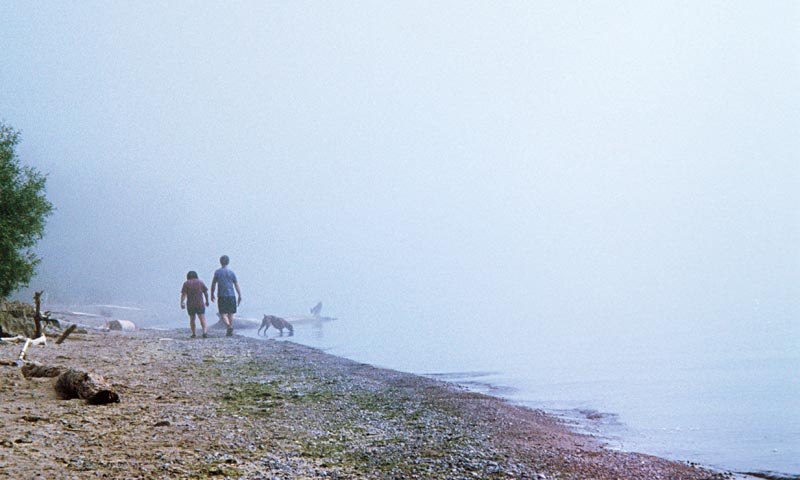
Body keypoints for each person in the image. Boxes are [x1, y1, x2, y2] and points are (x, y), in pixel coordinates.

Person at [210, 255, 241, 337]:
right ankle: (230, 328)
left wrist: (212, 294)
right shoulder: (231, 273)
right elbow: (236, 285)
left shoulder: (217, 272)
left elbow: (213, 283)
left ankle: (228, 326)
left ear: (220, 262)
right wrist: (239, 295)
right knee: (231, 313)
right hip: (231, 295)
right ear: (228, 262)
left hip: (222, 295)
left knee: (223, 313)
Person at [180, 270, 210, 338]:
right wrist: (207, 301)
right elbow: (205, 292)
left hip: (190, 304)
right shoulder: (200, 282)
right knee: (202, 318)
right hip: (200, 303)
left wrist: (182, 302)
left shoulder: (186, 283)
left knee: (192, 319)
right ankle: (204, 332)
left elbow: (183, 294)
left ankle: (194, 333)